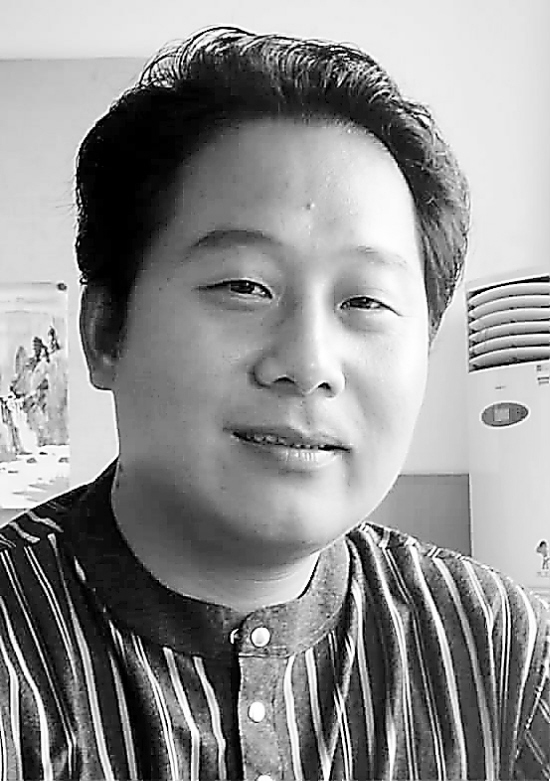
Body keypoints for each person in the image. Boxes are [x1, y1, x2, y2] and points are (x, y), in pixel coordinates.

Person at [0, 26, 548, 780]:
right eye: (243, 286)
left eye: (365, 300)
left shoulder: (497, 647)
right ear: (104, 332)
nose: (309, 364)